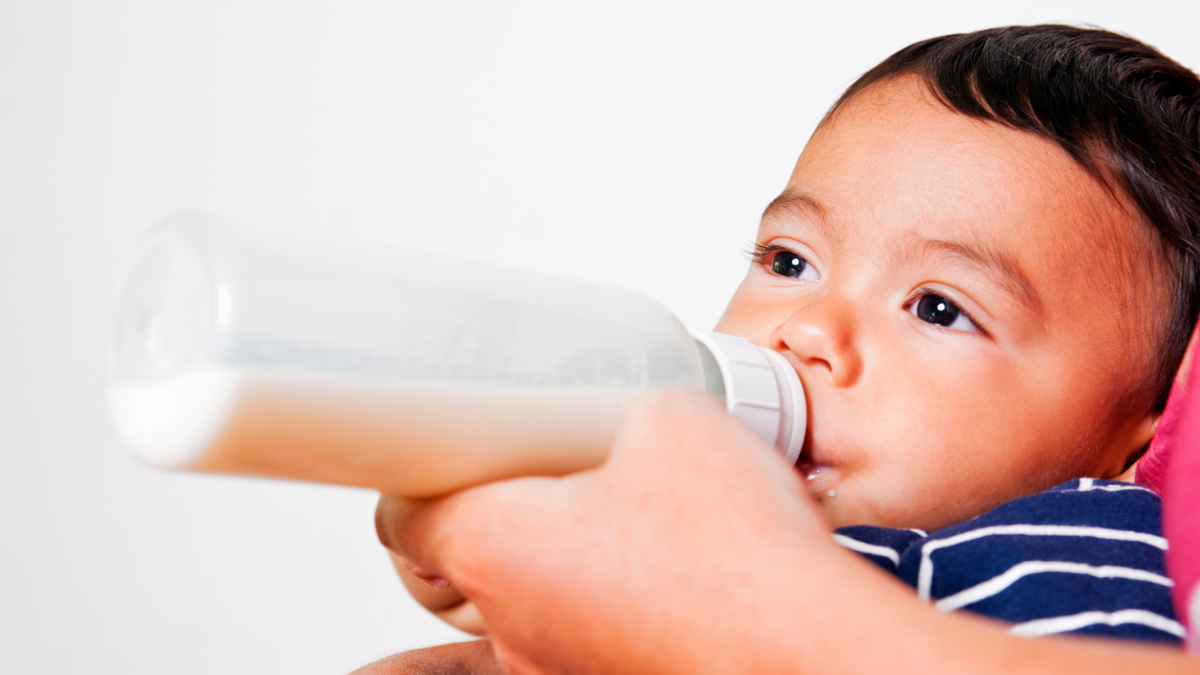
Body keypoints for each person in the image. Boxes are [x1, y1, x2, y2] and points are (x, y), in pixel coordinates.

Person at [357, 25, 1200, 673]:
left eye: (938, 307)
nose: (805, 330)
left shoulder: (1086, 556)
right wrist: (481, 553)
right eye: (789, 261)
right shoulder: (725, 513)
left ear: (1141, 429)